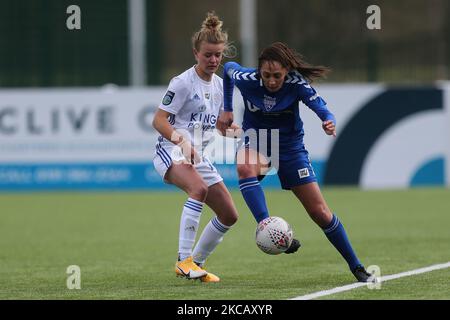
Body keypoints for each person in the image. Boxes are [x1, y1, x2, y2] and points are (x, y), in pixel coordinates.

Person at [217, 42, 374, 282]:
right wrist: (227, 108)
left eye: (277, 76)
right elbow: (228, 68)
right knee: (244, 166)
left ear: (287, 71)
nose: (271, 81)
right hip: (257, 141)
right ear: (259, 71)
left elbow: (322, 108)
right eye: (266, 75)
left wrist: (328, 121)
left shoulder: (296, 84)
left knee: (320, 213)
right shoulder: (247, 78)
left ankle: (357, 266)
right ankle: (268, 228)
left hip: (290, 149)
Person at [152, 12, 239, 283]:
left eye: (218, 55)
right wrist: (182, 142)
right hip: (171, 150)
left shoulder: (222, 86)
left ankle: (196, 265)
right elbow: (159, 121)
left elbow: (218, 126)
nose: (213, 61)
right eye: (208, 55)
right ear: (195, 53)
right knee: (198, 189)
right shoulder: (182, 83)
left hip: (197, 156)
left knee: (229, 214)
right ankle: (183, 260)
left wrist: (241, 135)